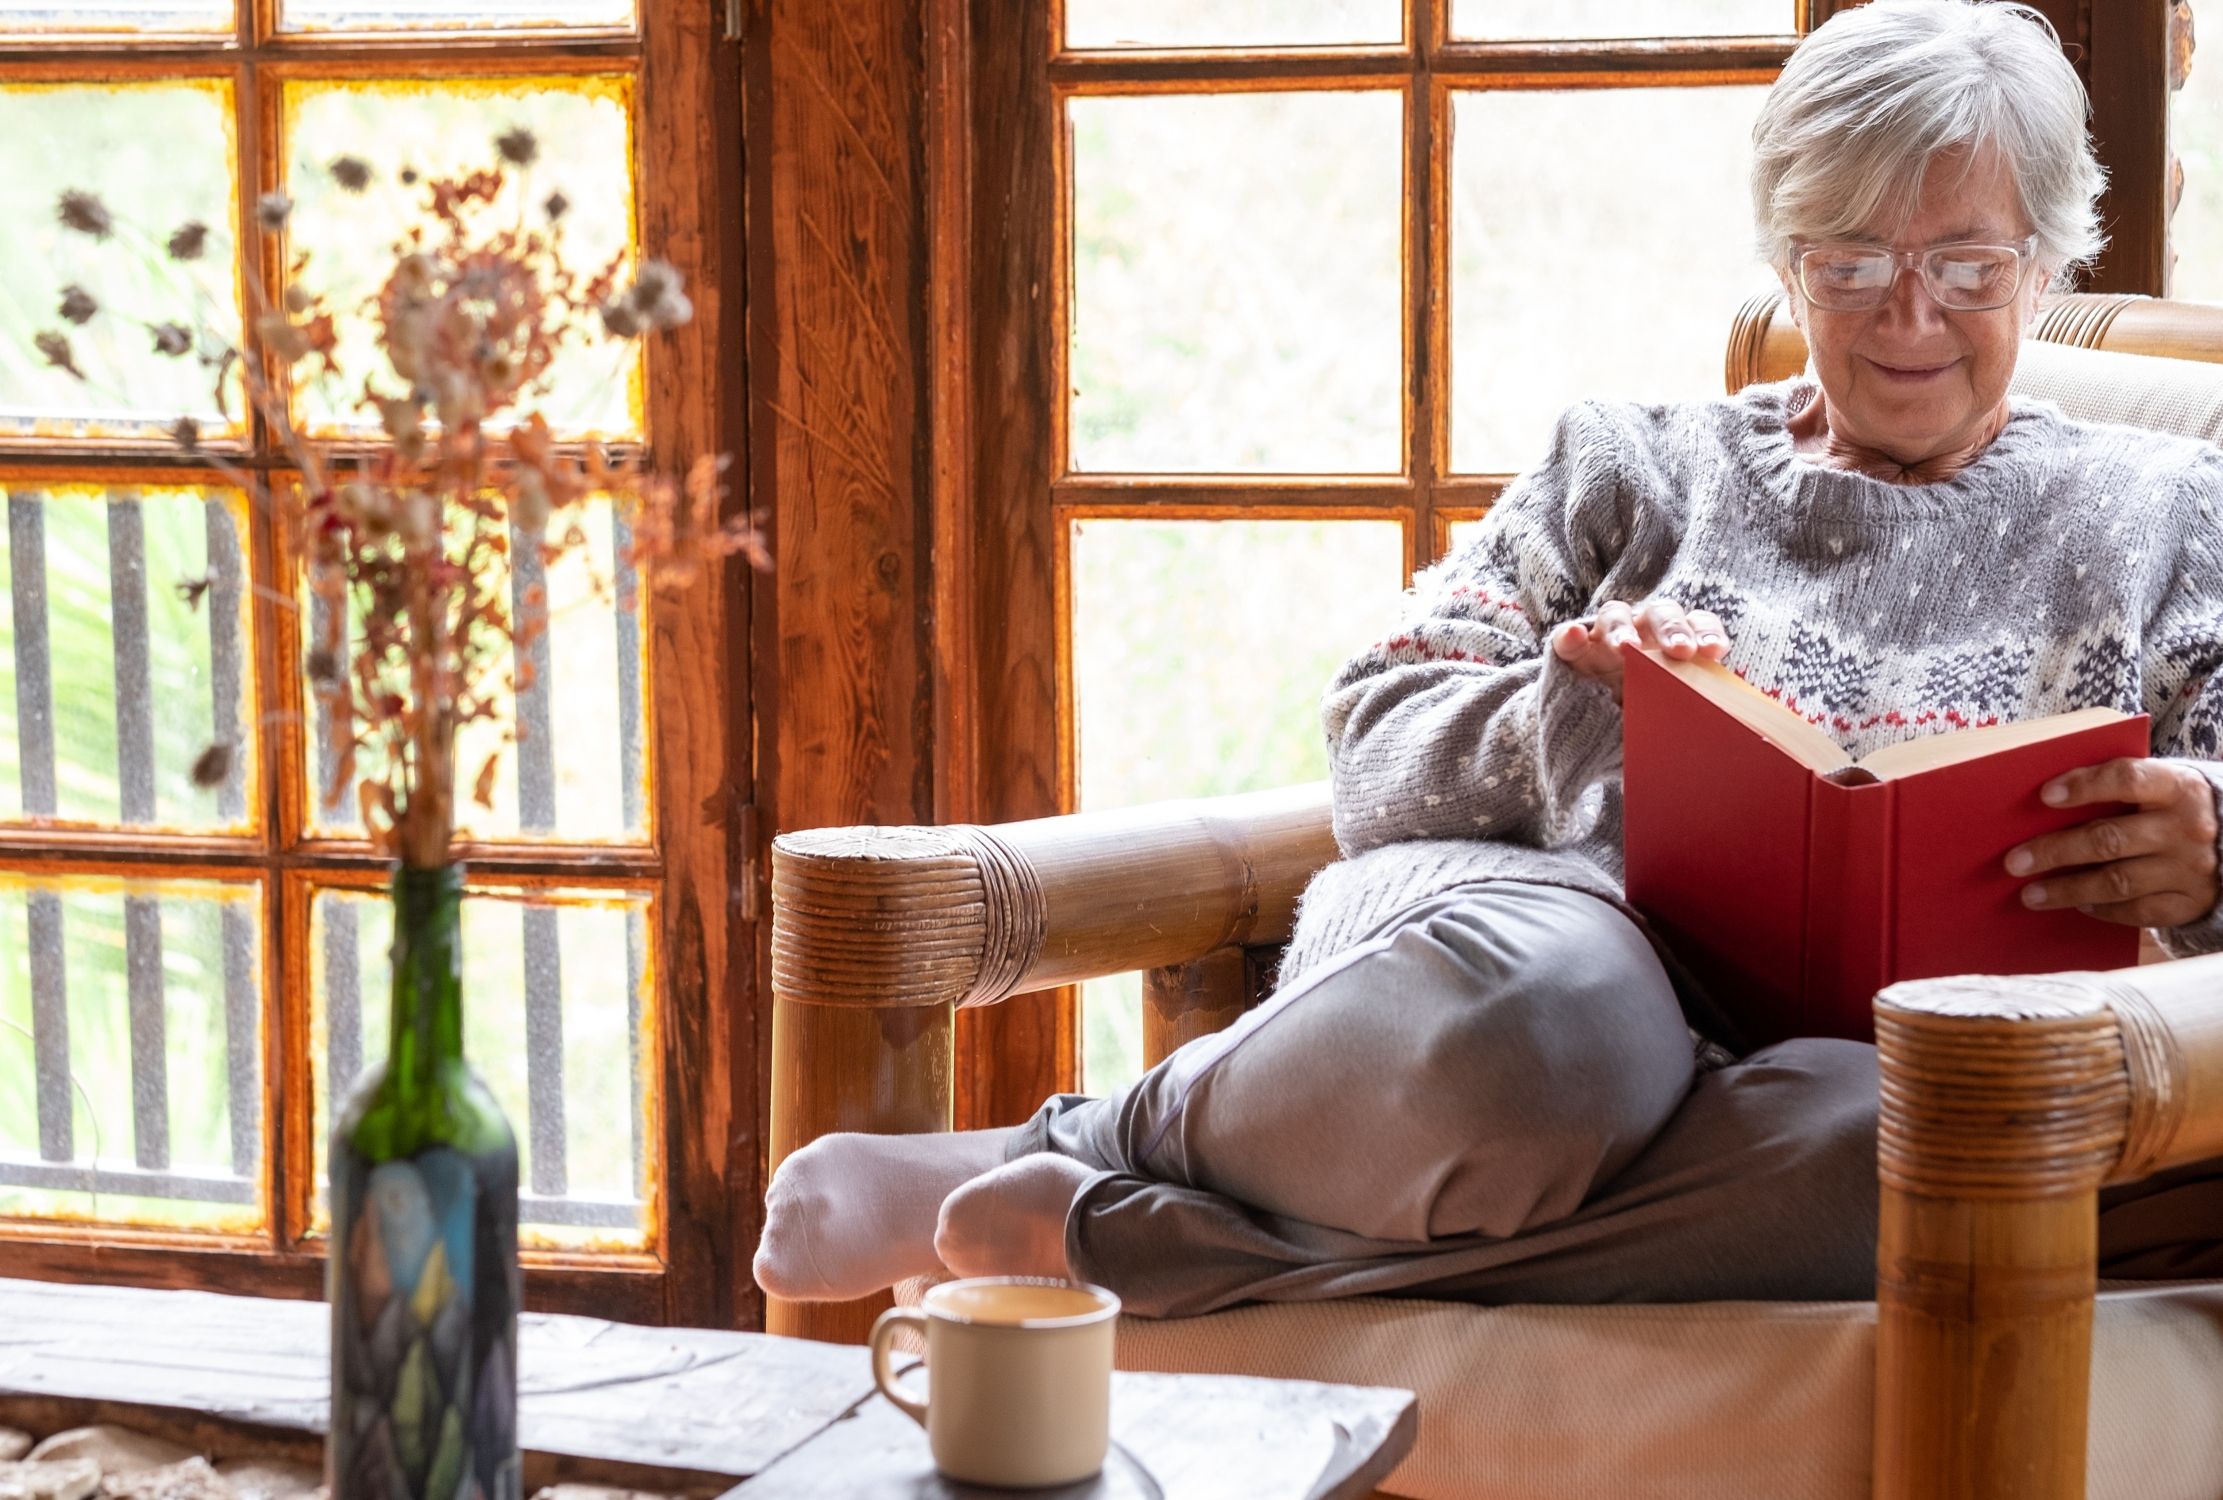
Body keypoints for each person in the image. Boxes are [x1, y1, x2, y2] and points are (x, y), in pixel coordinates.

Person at [753, 0, 2223, 1318]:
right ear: (1788, 262)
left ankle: (1137, 1231)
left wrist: (2210, 847)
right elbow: (1373, 737)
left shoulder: (2167, 515)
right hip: (1523, 984)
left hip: (1847, 1072)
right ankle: (1092, 1140)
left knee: (1913, 1151)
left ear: (2046, 259)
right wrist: (1558, 713)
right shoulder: (1631, 467)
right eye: (1853, 264)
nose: (1911, 315)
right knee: (1569, 1024)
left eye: (1968, 264)